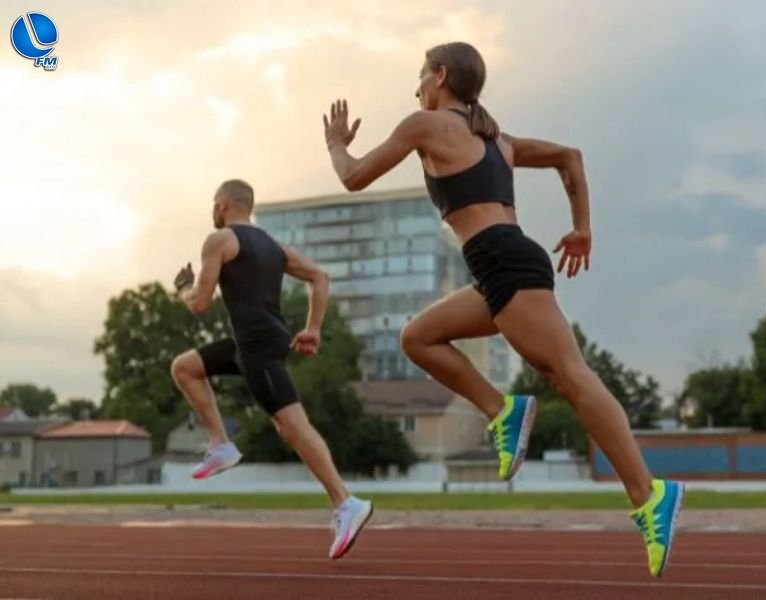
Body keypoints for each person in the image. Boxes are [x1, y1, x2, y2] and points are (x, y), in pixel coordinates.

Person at [322, 41, 684, 577]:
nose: (416, 88)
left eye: (421, 77)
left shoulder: (426, 126)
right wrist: (581, 226)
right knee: (417, 338)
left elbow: (352, 176)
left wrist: (334, 144)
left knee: (572, 377)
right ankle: (501, 410)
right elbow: (570, 157)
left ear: (441, 76)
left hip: (504, 262)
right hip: (500, 266)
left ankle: (649, 495)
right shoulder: (498, 140)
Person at [170, 179, 372, 560]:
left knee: (293, 426)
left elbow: (198, 303)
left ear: (226, 203)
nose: (213, 210)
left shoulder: (219, 241)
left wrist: (183, 286)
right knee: (184, 367)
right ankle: (221, 445)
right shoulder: (274, 246)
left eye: (215, 203)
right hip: (254, 342)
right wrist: (312, 328)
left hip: (258, 347)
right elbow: (320, 277)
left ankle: (347, 503)